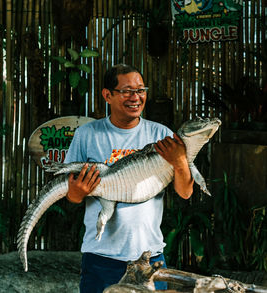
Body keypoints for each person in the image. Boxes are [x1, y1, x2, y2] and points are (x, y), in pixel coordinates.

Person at [64, 64, 194, 293]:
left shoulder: (161, 135)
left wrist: (180, 161)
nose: (136, 97)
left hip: (150, 257)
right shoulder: (87, 135)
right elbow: (71, 195)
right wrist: (76, 193)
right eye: (126, 91)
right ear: (107, 95)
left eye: (141, 90)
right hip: (101, 257)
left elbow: (185, 192)